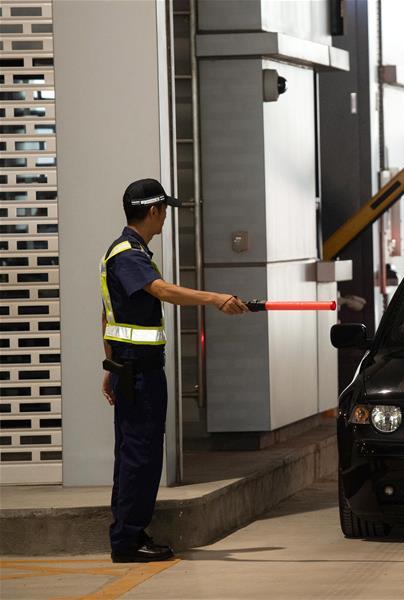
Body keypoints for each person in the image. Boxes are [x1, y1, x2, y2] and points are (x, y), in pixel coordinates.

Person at [100, 178, 248, 562]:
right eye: (165, 209)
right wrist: (214, 297)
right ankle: (128, 541)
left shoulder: (126, 252)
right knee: (140, 455)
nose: (166, 216)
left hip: (129, 367)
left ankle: (128, 534)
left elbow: (108, 314)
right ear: (153, 211)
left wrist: (110, 364)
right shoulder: (129, 255)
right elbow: (162, 291)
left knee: (134, 452)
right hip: (139, 372)